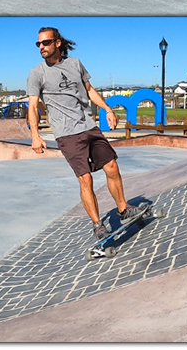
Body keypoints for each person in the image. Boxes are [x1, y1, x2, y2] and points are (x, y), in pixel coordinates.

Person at [26, 27, 143, 241]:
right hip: (66, 134)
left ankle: (123, 209)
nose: (41, 47)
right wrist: (35, 135)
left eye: (46, 43)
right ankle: (98, 225)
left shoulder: (75, 64)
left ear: (58, 43)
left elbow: (89, 90)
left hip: (88, 126)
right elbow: (33, 107)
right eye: (38, 44)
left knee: (112, 166)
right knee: (85, 179)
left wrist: (108, 109)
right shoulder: (37, 73)